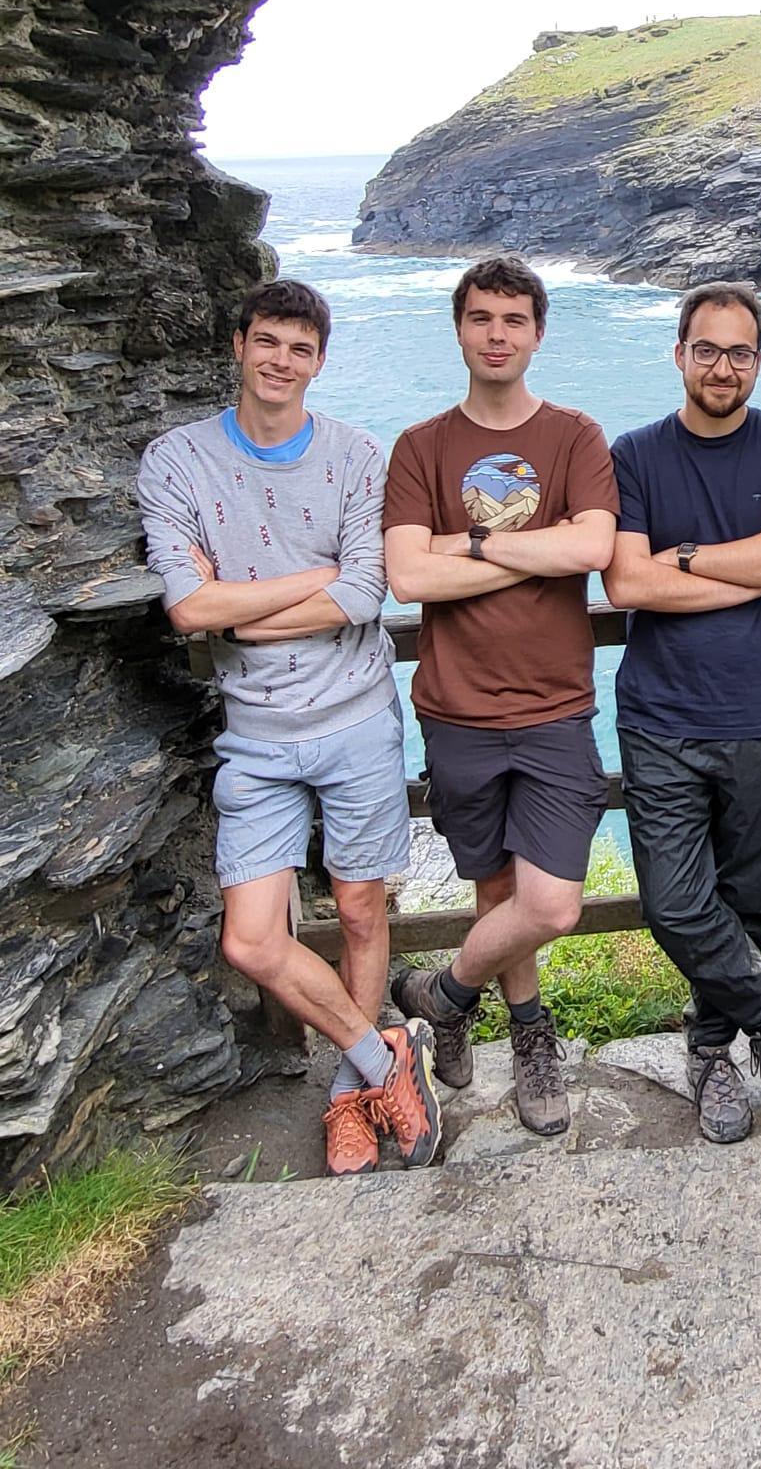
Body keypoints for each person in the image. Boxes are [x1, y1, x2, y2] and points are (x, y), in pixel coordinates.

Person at [136, 278, 441, 1178]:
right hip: (256, 734)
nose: (280, 361)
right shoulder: (177, 460)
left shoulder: (355, 455)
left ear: (320, 361)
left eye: (299, 348)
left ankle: (352, 1099)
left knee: (360, 909)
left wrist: (235, 612)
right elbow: (187, 609)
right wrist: (301, 585)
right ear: (239, 345)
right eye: (266, 341)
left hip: (356, 718)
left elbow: (364, 592)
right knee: (251, 940)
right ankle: (386, 1057)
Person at [382, 255, 617, 1137]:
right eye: (481, 318)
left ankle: (442, 994)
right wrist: (529, 546)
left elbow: (590, 549)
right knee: (495, 894)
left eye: (514, 320)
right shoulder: (421, 446)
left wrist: (467, 545)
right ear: (460, 329)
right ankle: (528, 1034)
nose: (497, 334)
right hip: (457, 708)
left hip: (554, 706)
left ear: (537, 334)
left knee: (551, 903)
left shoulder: (575, 436)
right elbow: (409, 577)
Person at [602, 281, 761, 1143]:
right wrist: (750, 567)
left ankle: (711, 1053)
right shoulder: (634, 453)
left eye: (739, 352)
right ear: (679, 355)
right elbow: (627, 583)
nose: (722, 367)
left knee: (749, 903)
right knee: (673, 902)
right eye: (707, 349)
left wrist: (686, 557)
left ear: (758, 361)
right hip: (661, 715)